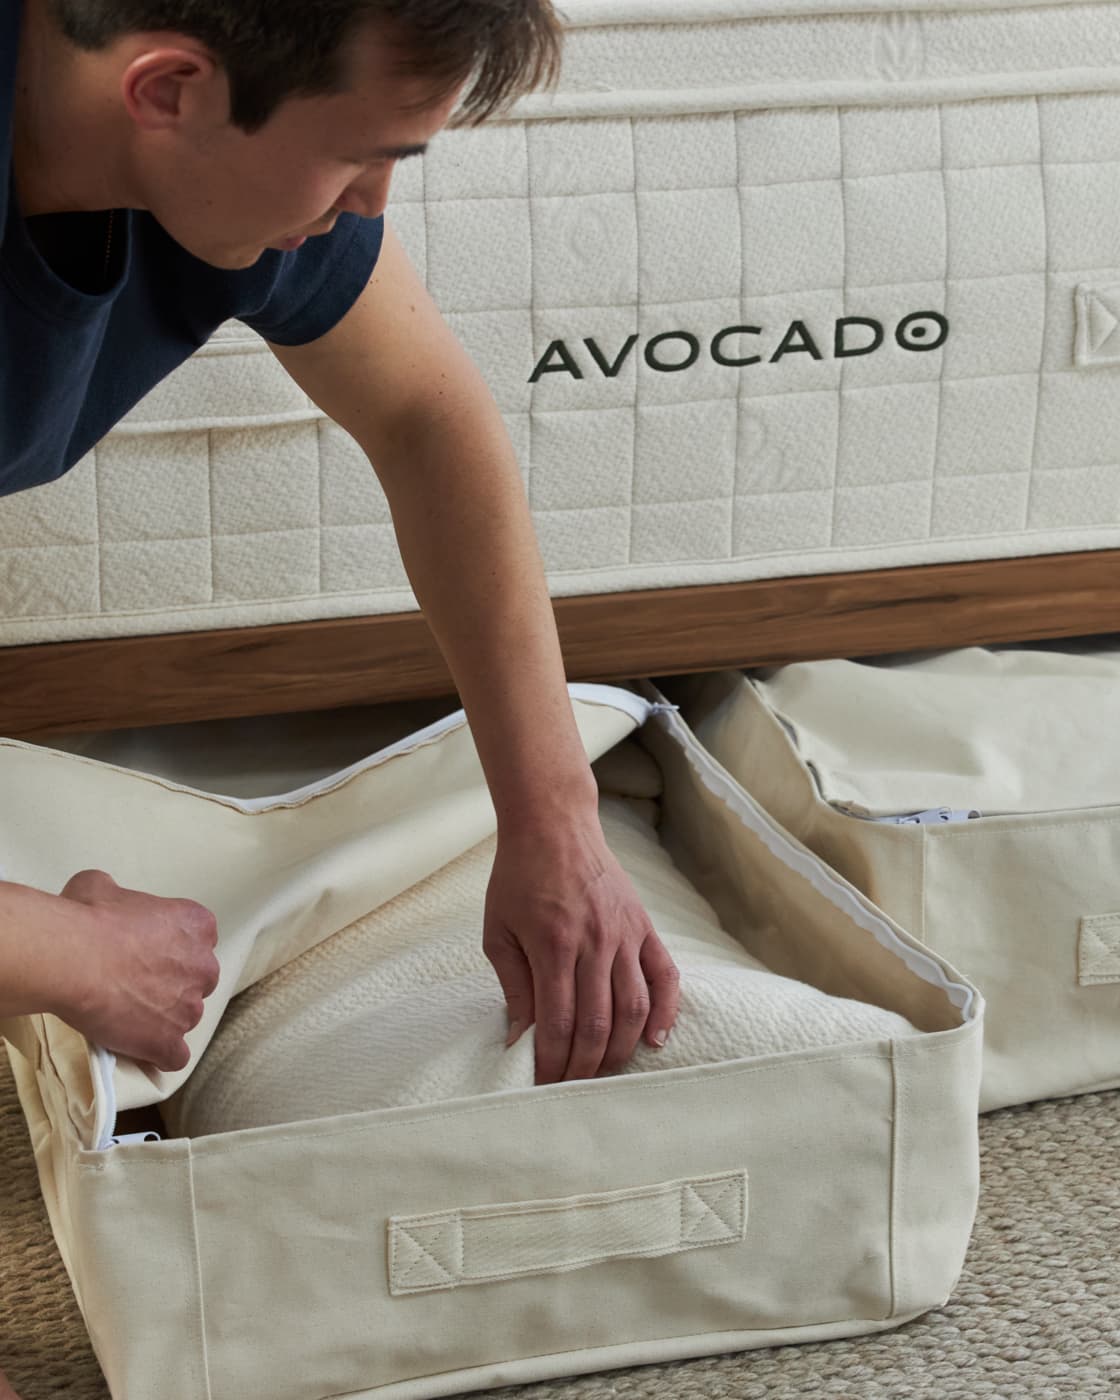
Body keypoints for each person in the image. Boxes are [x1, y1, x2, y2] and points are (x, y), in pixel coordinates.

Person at [0, 4, 681, 1389]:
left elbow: (427, 418)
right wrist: (65, 954)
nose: (369, 208)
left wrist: (552, 821)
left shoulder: (206, 164)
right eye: (362, 158)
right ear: (169, 90)